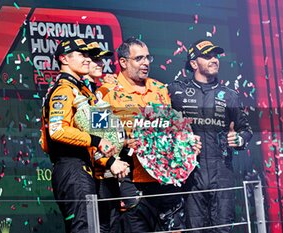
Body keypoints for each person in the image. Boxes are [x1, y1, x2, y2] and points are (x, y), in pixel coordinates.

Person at [97, 37, 201, 232]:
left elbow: (172, 129)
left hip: (165, 179)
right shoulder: (106, 92)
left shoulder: (160, 89)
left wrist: (187, 142)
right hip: (131, 180)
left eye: (148, 58)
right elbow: (97, 138)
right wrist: (124, 142)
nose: (145, 63)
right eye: (139, 59)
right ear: (123, 62)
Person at [168, 39, 253, 233]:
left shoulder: (229, 95)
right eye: (207, 56)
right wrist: (177, 138)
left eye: (215, 56)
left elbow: (245, 129)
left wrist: (240, 140)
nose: (214, 60)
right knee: (194, 229)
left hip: (222, 172)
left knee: (223, 229)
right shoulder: (176, 91)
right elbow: (160, 126)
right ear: (193, 63)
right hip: (191, 174)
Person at [39, 38, 117, 233]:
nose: (88, 60)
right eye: (83, 55)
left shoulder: (79, 89)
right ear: (64, 58)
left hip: (81, 167)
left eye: (89, 56)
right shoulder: (64, 90)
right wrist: (97, 141)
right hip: (72, 167)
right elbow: (57, 131)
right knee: (85, 229)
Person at [85, 41, 130, 233]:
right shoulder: (83, 94)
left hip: (108, 171)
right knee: (99, 226)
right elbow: (91, 137)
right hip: (94, 174)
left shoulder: (97, 92)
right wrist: (109, 161)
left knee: (112, 224)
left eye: (102, 59)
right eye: (95, 59)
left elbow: (105, 133)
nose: (100, 63)